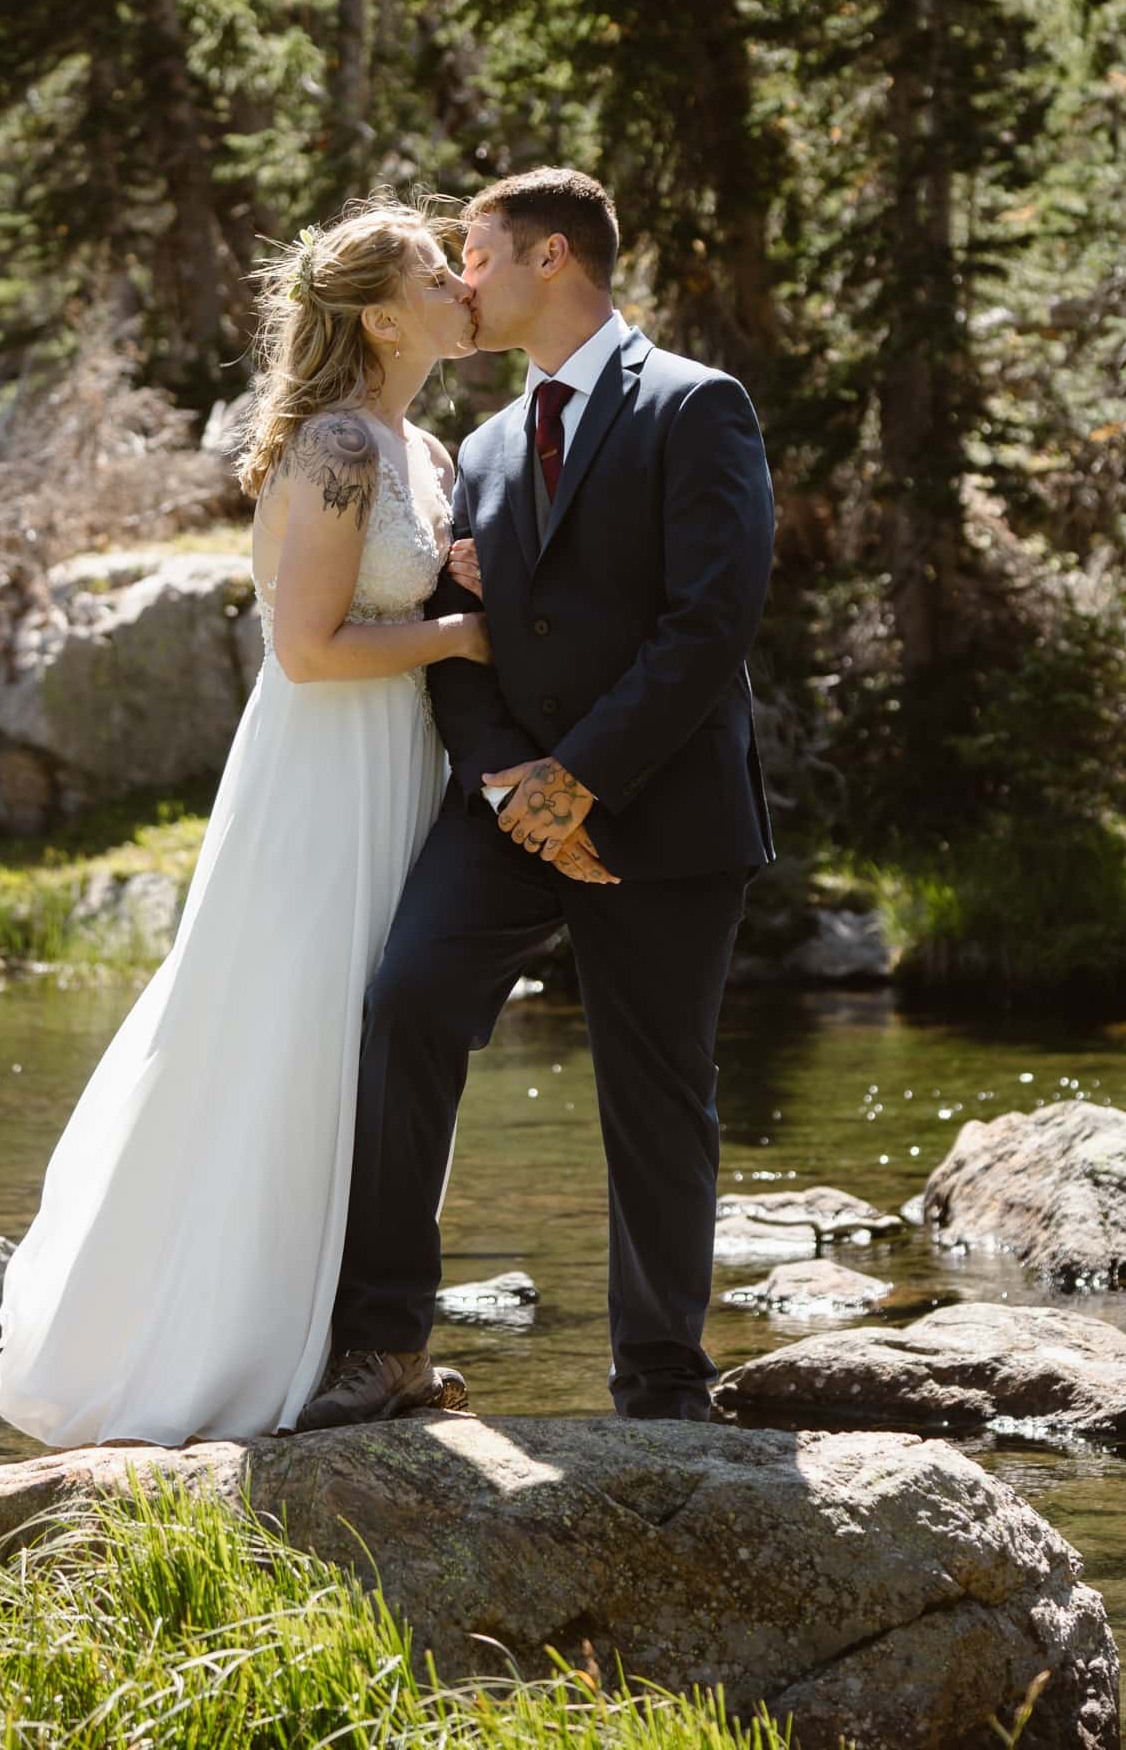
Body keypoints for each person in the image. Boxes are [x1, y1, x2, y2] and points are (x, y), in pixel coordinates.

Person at [0, 200, 488, 1446]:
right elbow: (307, 651)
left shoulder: (425, 446)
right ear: (379, 312)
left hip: (401, 762)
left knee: (379, 1045)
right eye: (436, 268)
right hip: (323, 776)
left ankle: (354, 1333)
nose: (463, 281)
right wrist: (460, 630)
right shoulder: (340, 451)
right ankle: (228, 1348)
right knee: (291, 1032)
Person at [299, 166, 775, 1431]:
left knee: (657, 1090)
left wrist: (583, 781)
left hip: (661, 809)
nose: (461, 278)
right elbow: (455, 623)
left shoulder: (695, 406)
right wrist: (515, 782)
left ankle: (662, 1385)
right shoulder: (490, 446)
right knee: (406, 1003)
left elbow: (708, 626)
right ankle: (386, 1343)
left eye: (477, 251)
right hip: (509, 806)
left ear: (551, 256)